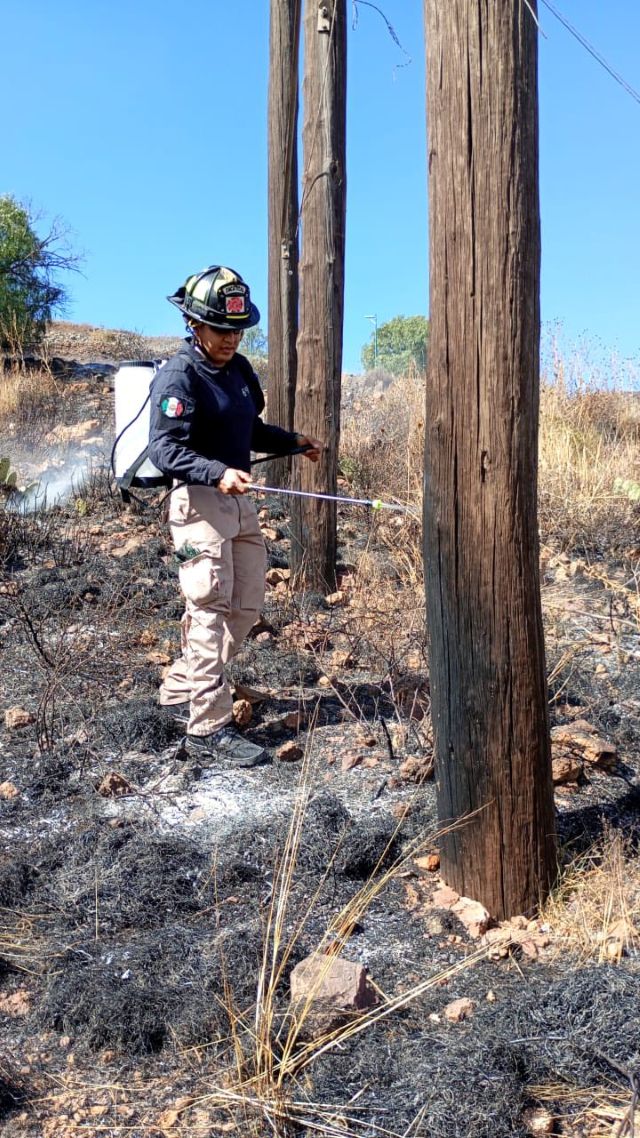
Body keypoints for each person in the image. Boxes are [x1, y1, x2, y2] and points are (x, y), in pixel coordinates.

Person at [148, 265, 321, 767]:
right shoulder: (178, 375)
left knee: (245, 605)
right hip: (198, 502)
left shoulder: (240, 371)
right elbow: (165, 450)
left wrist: (292, 442)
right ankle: (208, 728)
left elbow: (250, 429)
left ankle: (184, 685)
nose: (230, 339)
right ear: (195, 325)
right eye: (221, 329)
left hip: (238, 502)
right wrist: (216, 471)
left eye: (237, 330)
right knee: (208, 608)